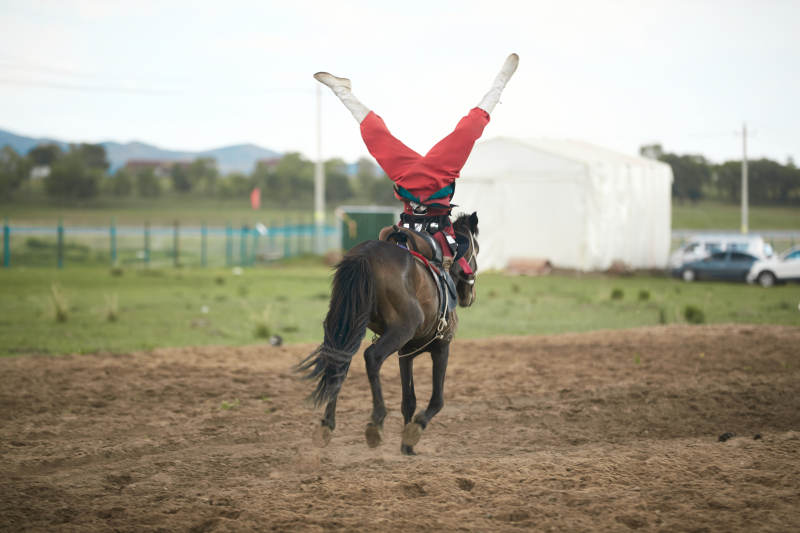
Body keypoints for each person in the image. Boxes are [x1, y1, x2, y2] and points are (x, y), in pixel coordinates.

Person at [314, 53, 518, 273]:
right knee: (380, 134)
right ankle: (342, 89)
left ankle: (501, 81)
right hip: (432, 176)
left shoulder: (445, 233)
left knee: (466, 130)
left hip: (418, 178)